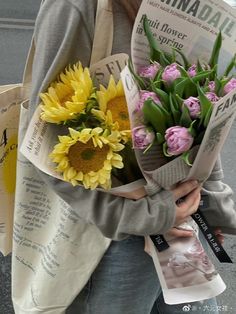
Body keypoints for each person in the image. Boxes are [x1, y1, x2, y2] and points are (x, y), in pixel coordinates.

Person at [27, 0, 234, 313]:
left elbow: (198, 119)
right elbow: (43, 138)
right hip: (113, 239)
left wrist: (213, 204)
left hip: (181, 219)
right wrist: (141, 217)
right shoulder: (75, 7)